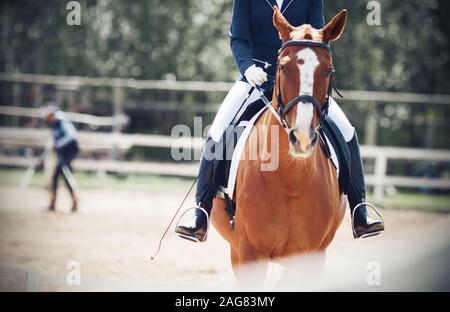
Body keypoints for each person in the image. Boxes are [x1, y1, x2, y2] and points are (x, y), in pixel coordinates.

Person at [175, 0, 384, 241]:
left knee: (347, 131)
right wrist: (248, 68)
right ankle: (201, 211)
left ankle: (360, 210)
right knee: (219, 129)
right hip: (256, 76)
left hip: (299, 80)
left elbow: (316, 37)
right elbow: (238, 39)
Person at [42, 104, 79, 212]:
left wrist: (58, 145)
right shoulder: (54, 125)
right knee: (60, 176)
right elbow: (53, 141)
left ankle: (70, 201)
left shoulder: (62, 121)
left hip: (68, 152)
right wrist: (44, 155)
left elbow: (71, 136)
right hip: (62, 152)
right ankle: (56, 202)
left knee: (62, 176)